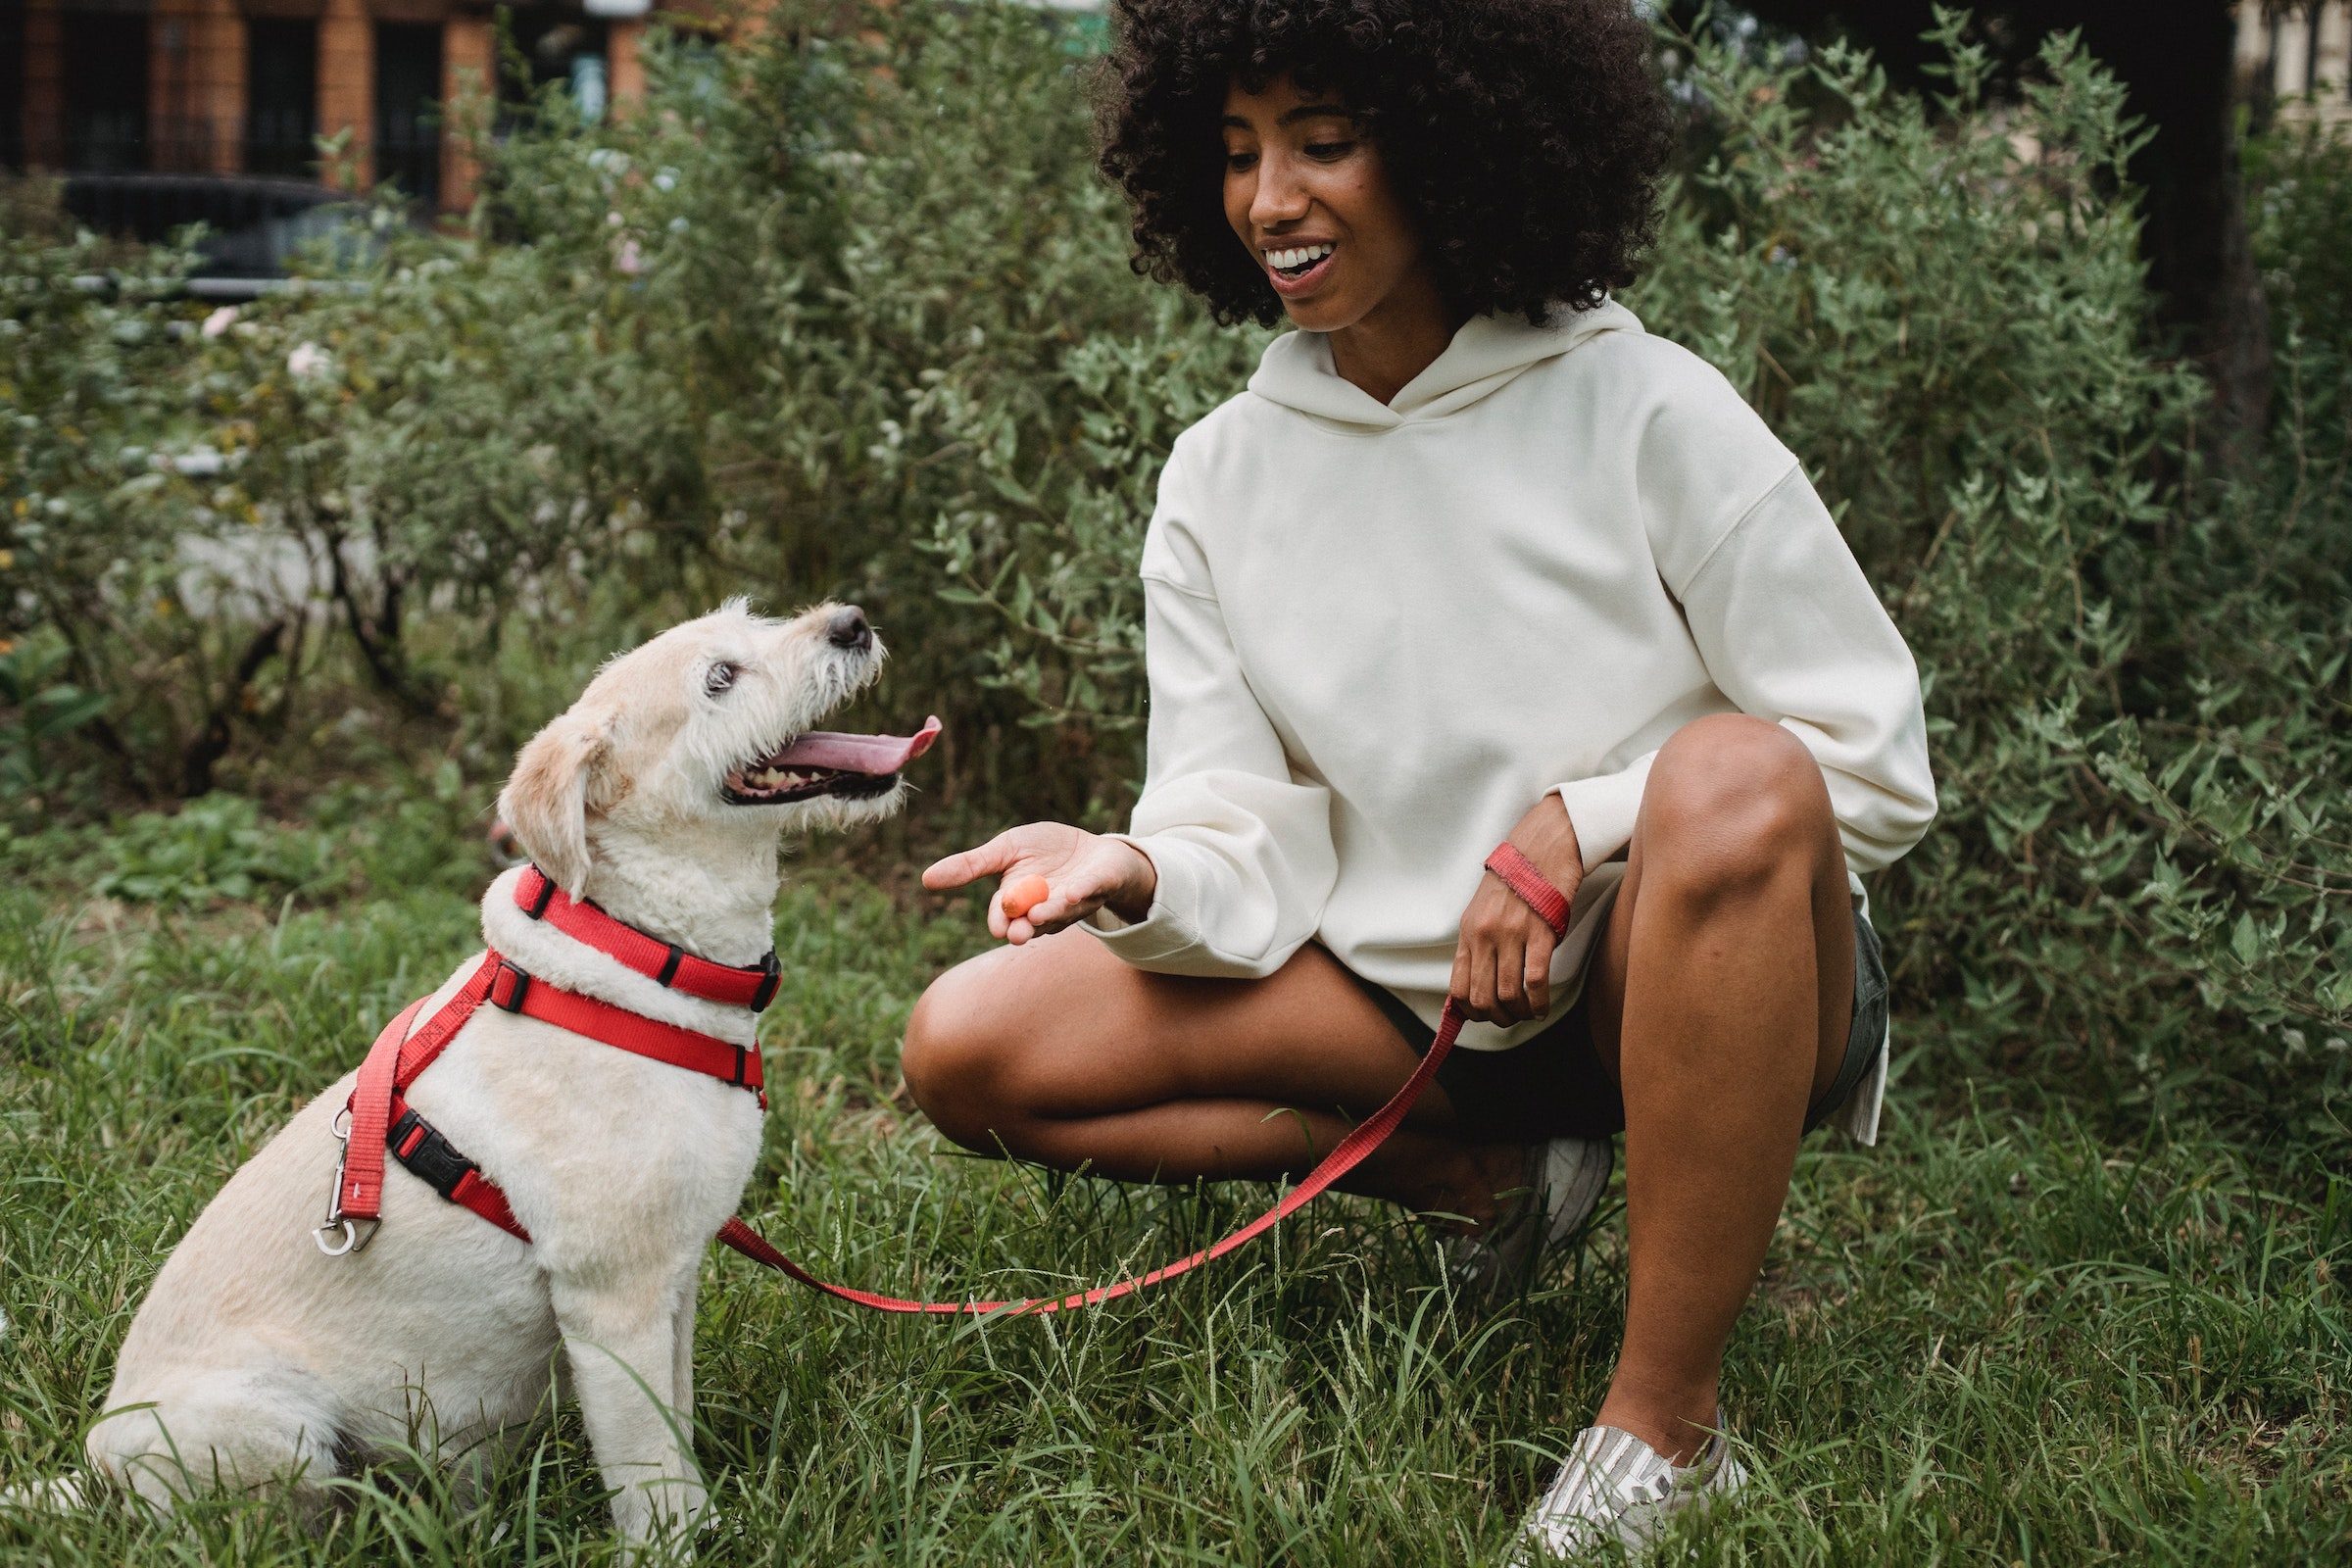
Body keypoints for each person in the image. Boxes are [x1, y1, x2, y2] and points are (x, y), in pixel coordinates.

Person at [903, 0, 1936, 1554]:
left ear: (1454, 145)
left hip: (1685, 974)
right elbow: (1239, 819)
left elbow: (1867, 758)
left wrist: (1580, 825)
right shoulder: (1219, 474)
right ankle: (1479, 1172)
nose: (1270, 200)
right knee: (967, 1047)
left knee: (1731, 774)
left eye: (1325, 142)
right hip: (1421, 1007)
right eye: (1240, 153)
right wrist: (1143, 868)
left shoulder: (1648, 404)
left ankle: (1664, 1424)